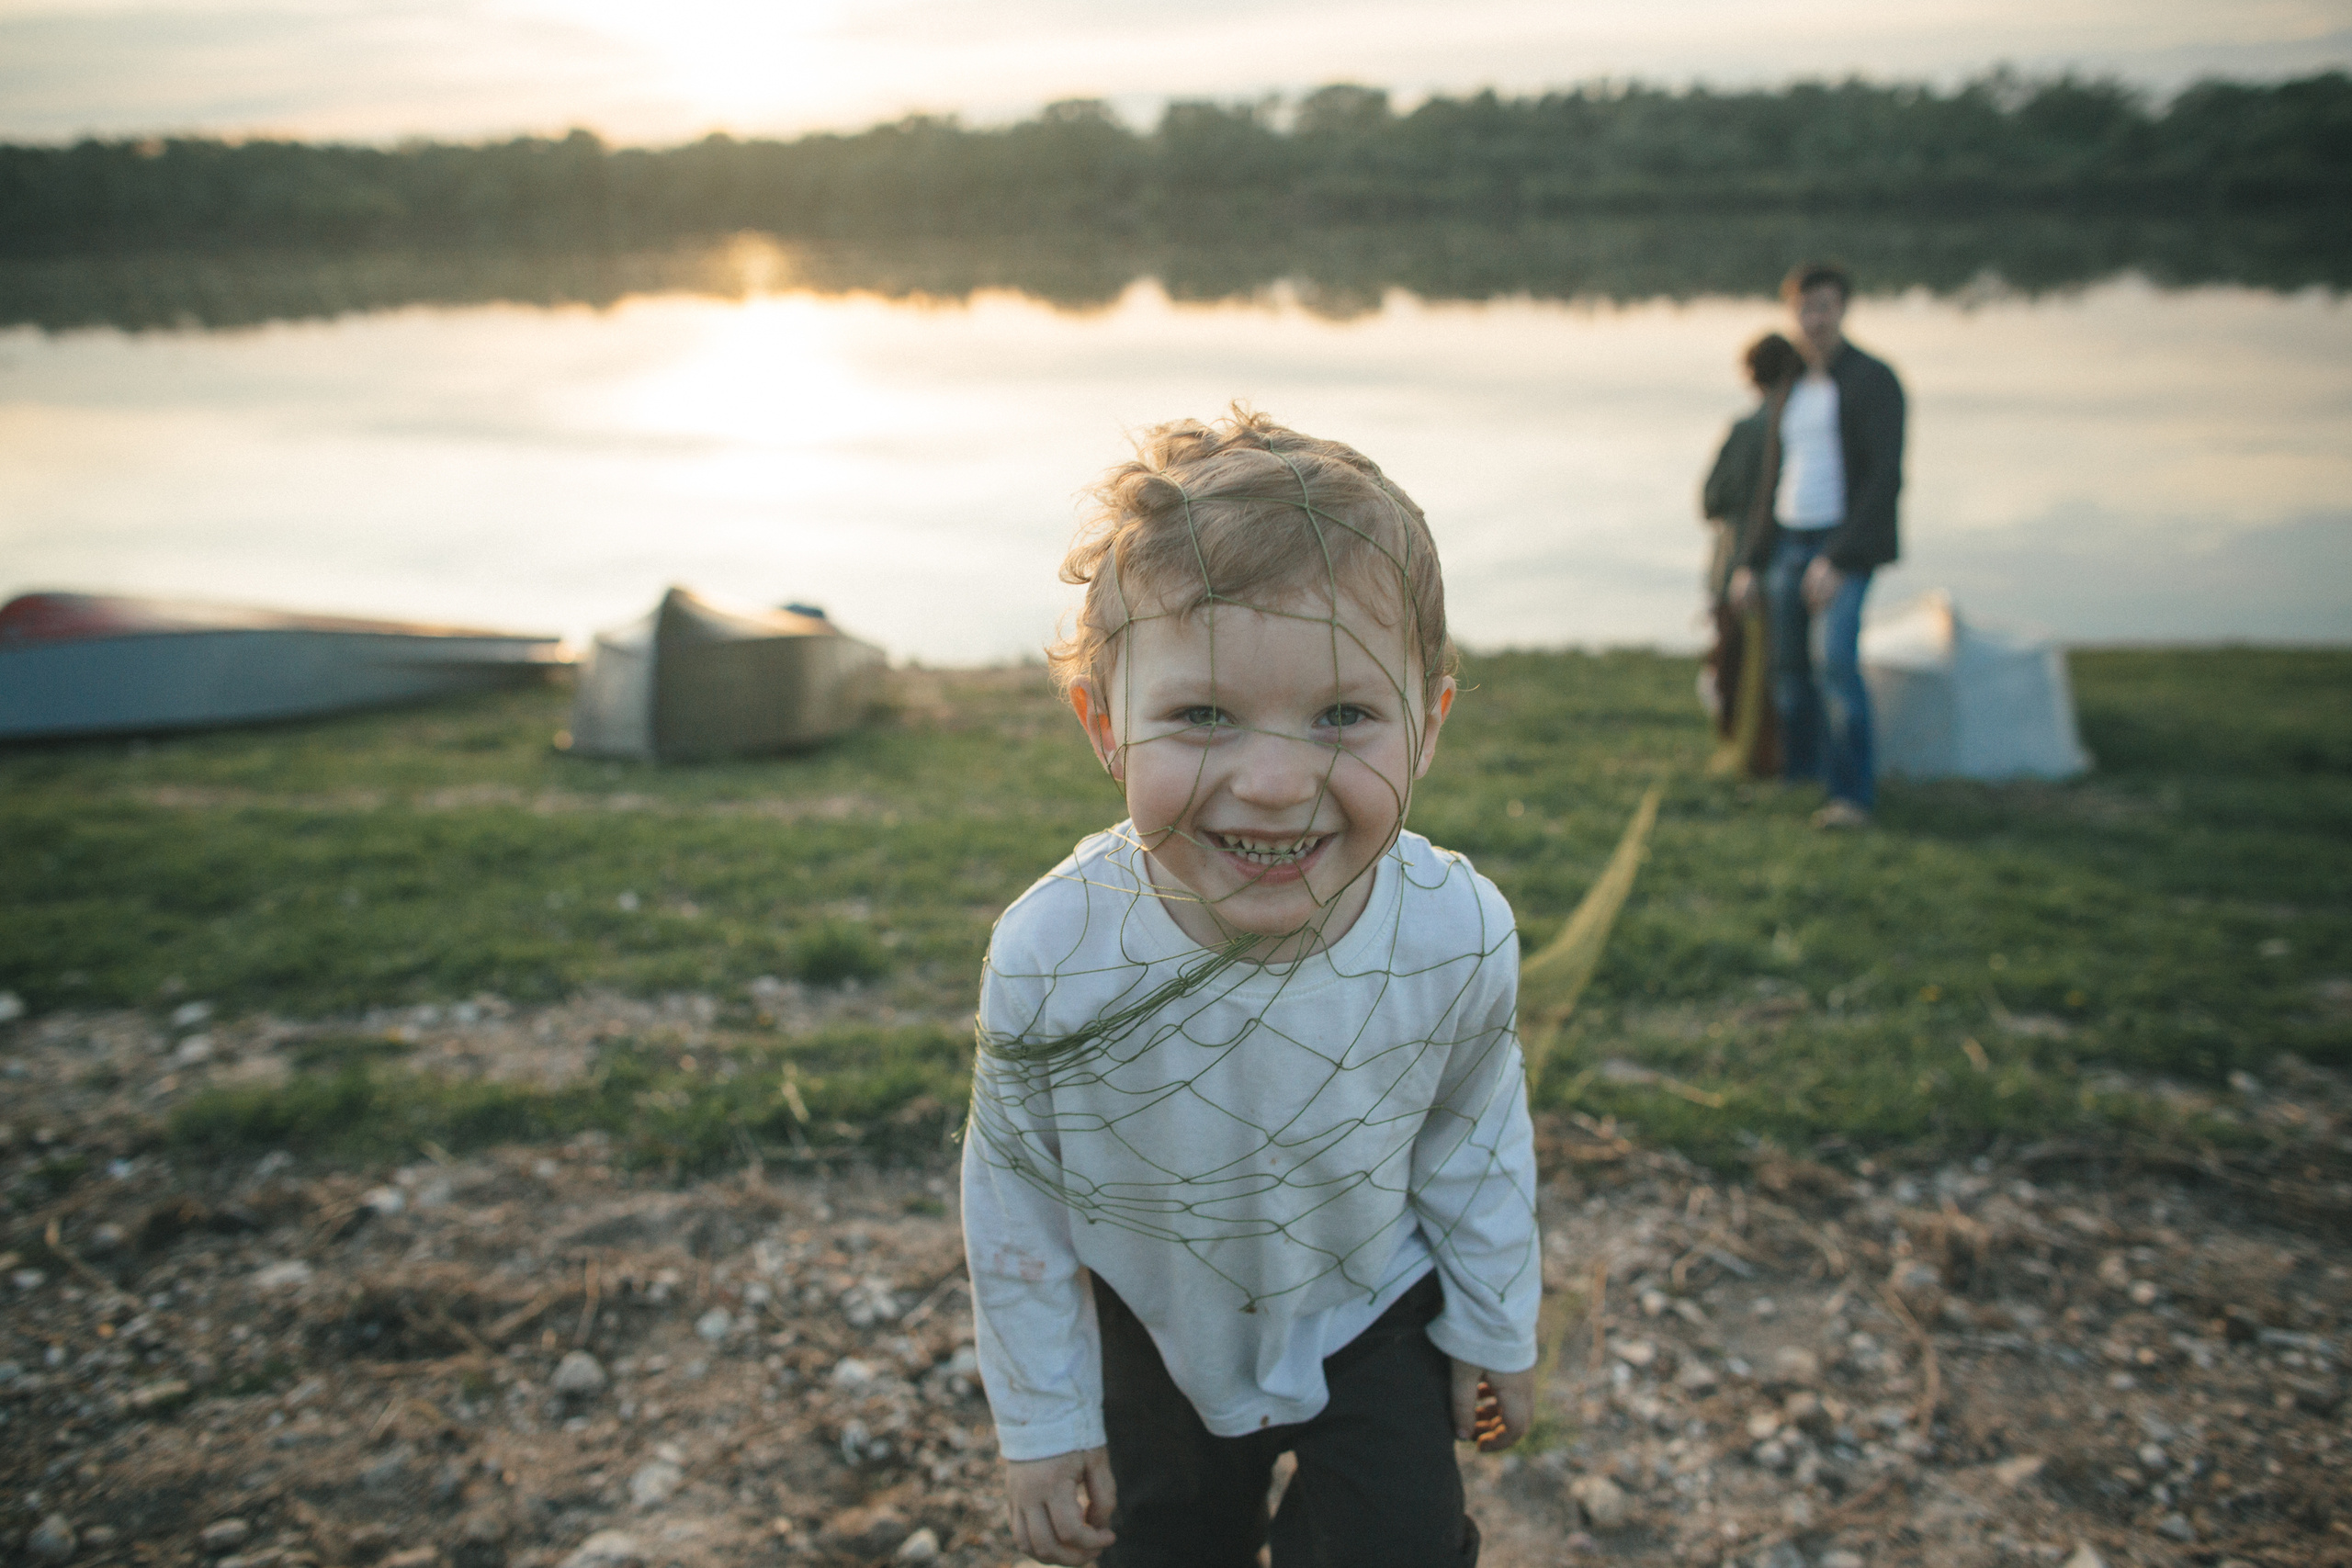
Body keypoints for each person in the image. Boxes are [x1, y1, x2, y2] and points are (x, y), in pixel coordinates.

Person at [962, 407, 1540, 1568]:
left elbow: (1473, 1140)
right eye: (1202, 716)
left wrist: (1494, 1327)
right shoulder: (1053, 955)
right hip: (1153, 1323)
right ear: (1104, 724)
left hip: (1375, 1305)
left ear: (1426, 725)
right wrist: (1044, 1420)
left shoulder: (1455, 930)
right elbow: (1014, 1201)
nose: (1274, 782)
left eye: (1343, 716)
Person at [1730, 262, 1905, 829]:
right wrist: (1750, 562)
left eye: (1824, 306)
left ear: (1843, 309)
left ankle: (1851, 796)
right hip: (1788, 539)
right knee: (1788, 671)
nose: (1814, 319)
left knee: (1836, 666)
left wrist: (1839, 558)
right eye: (1804, 308)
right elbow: (1772, 477)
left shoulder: (1874, 380)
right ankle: (1799, 777)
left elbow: (1884, 479)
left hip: (1840, 544)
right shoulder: (1789, 383)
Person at [1699, 332, 1804, 779]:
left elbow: (1711, 500)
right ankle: (1784, 759)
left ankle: (1749, 757)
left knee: (1735, 668)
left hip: (1734, 564)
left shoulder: (1746, 430)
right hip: (1788, 562)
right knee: (1781, 668)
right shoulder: (1802, 427)